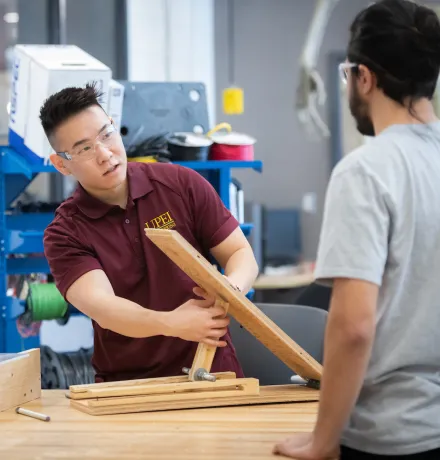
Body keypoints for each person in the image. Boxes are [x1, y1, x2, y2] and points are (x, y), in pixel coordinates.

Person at [274, 0, 440, 458]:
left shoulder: (365, 171)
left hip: (390, 436)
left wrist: (322, 443)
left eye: (350, 73)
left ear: (365, 78)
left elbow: (353, 327)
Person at [40, 83, 259, 383]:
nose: (105, 154)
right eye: (84, 148)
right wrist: (172, 323)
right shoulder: (65, 233)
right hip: (128, 386)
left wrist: (229, 292)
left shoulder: (182, 184)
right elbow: (105, 308)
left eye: (106, 134)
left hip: (212, 372)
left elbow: (240, 253)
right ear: (61, 164)